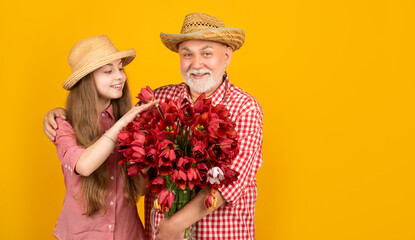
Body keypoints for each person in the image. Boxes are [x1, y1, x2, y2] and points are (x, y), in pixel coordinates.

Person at [44, 13, 263, 240]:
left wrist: (174, 226)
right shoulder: (159, 100)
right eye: (187, 54)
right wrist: (59, 115)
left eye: (207, 53)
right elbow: (118, 132)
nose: (196, 64)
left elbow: (228, 186)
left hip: (218, 235)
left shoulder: (245, 108)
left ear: (227, 56)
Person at [48, 35, 156, 240]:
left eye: (120, 68)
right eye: (108, 71)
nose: (120, 77)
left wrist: (150, 154)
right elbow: (84, 165)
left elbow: (139, 190)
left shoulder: (134, 121)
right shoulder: (63, 125)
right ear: (87, 80)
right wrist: (123, 124)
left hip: (128, 234)